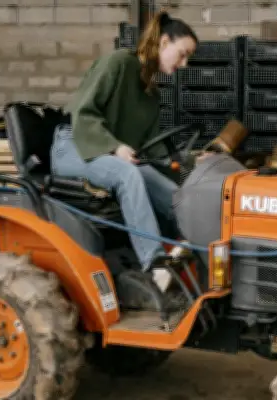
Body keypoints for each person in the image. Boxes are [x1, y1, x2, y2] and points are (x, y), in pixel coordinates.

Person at [50, 11, 201, 289]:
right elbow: (84, 114)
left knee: (170, 191)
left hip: (108, 155)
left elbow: (151, 149)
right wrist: (114, 146)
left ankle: (197, 246)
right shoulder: (118, 63)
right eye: (182, 54)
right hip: (76, 147)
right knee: (127, 175)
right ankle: (154, 263)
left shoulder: (151, 94)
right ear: (164, 42)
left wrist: (192, 164)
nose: (184, 63)